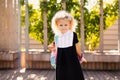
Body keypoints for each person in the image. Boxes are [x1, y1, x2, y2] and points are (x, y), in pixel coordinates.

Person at [50, 10, 87, 80]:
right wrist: (51, 48)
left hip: (72, 60)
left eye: (66, 25)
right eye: (61, 25)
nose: (63, 27)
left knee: (74, 75)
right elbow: (54, 46)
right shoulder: (57, 36)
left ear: (70, 25)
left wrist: (81, 56)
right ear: (57, 25)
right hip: (61, 61)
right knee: (62, 76)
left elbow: (77, 48)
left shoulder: (73, 35)